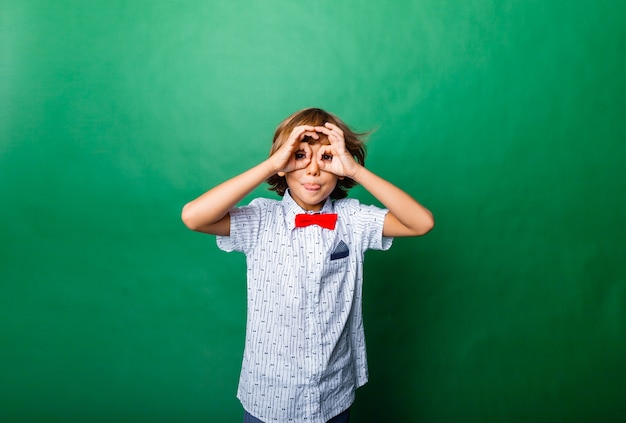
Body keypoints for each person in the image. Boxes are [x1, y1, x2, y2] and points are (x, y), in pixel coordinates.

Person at [181, 108, 434, 423]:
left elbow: (421, 223)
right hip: (268, 396)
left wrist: (355, 170)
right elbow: (193, 217)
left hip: (332, 393)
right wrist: (271, 164)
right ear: (284, 164)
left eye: (326, 159)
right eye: (300, 156)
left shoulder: (352, 220)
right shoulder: (260, 219)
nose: (313, 170)